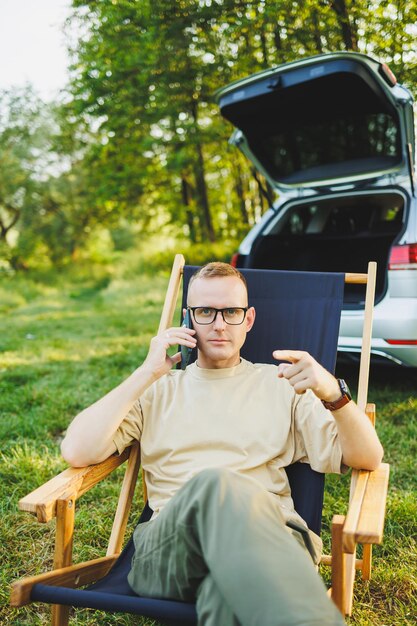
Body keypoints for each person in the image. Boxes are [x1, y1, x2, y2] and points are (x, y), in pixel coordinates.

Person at [61, 262, 383, 626]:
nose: (218, 324)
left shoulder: (282, 386)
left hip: (274, 537)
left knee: (221, 596)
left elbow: (367, 457)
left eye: (231, 312)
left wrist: (333, 393)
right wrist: (147, 372)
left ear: (248, 319)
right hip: (169, 552)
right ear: (188, 319)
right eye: (205, 312)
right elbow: (77, 450)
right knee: (216, 483)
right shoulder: (159, 390)